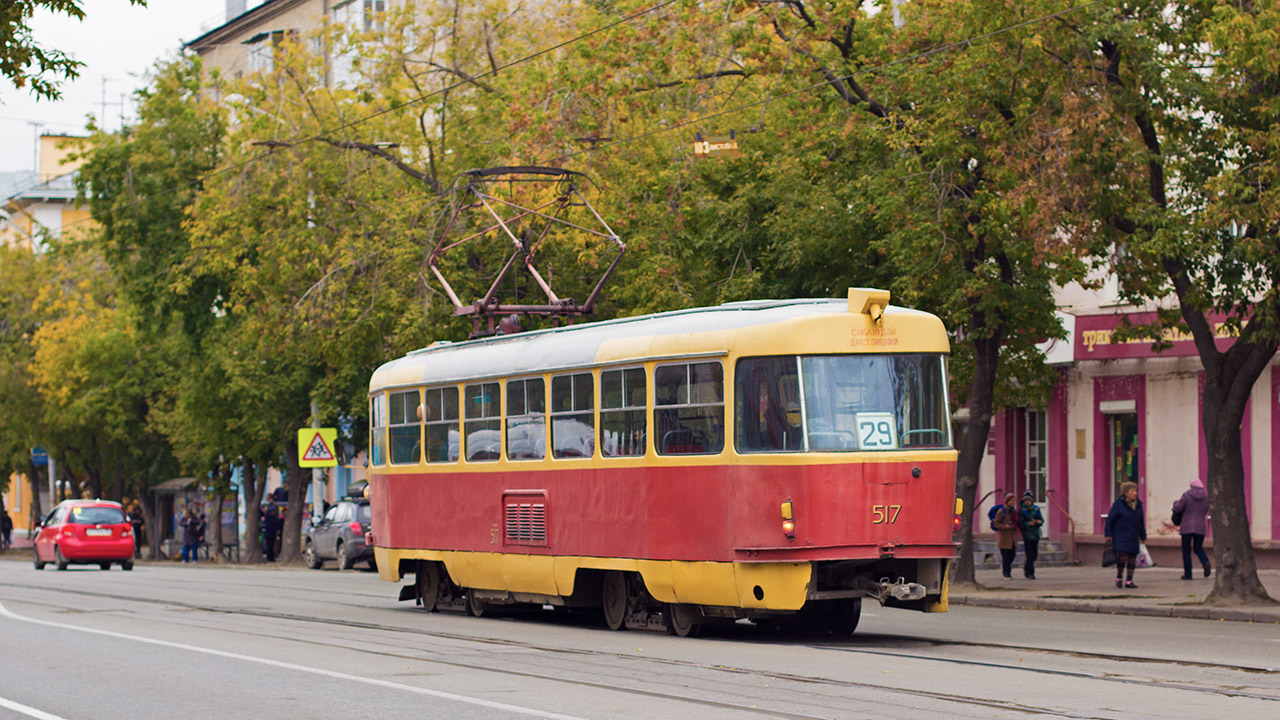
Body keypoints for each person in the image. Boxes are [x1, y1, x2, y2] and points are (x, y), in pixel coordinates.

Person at [1105, 481, 1147, 588]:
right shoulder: (1118, 505)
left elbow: (1141, 521)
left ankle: (1129, 581)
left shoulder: (1138, 505)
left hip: (1133, 535)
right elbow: (1110, 519)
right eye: (1132, 491)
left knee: (1132, 558)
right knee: (1122, 558)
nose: (1135, 493)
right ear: (1125, 492)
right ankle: (1119, 576)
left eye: (1136, 490)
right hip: (1121, 535)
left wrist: (1143, 536)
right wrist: (1108, 533)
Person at [1172, 478, 1212, 580]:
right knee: (1198, 548)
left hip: (1187, 526)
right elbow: (1205, 510)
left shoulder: (1186, 495)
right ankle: (1205, 562)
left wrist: (1175, 503)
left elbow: (1178, 508)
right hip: (1200, 526)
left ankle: (1188, 574)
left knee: (1186, 550)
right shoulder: (1206, 497)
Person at [1017, 491, 1044, 580]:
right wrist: (1028, 523)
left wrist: (1039, 522)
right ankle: (1030, 573)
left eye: (1029, 500)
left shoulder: (1036, 509)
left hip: (1035, 535)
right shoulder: (1022, 511)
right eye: (1026, 500)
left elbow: (1041, 519)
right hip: (1027, 535)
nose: (1027, 502)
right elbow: (1020, 523)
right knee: (1029, 554)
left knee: (1034, 554)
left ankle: (1026, 567)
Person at [993, 492, 1019, 579]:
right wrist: (1004, 526)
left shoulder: (1014, 512)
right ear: (1007, 501)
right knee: (1006, 557)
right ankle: (1006, 573)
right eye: (1011, 500)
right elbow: (996, 523)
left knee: (1012, 555)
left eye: (1014, 500)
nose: (1013, 502)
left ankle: (1008, 570)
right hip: (1004, 538)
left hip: (1012, 538)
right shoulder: (1002, 511)